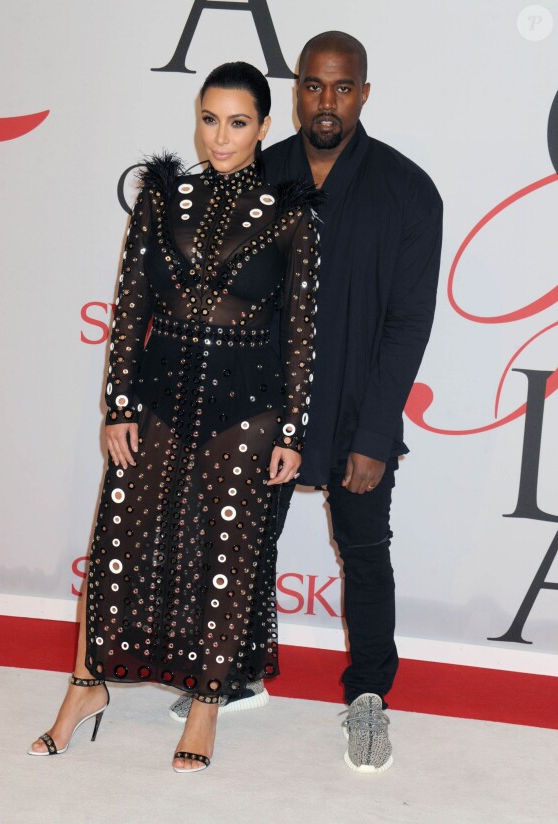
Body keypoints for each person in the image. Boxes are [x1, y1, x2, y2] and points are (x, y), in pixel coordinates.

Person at [29, 61, 321, 772]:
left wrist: (292, 430)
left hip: (246, 410)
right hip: (158, 402)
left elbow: (301, 331)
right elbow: (131, 308)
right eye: (210, 119)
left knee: (229, 555)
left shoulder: (291, 213)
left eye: (239, 122)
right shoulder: (162, 198)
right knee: (116, 543)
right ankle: (83, 687)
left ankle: (205, 707)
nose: (221, 137)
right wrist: (117, 406)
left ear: (264, 125)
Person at [261, 31, 443, 773]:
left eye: (343, 87)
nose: (327, 101)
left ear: (364, 93)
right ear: (296, 89)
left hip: (357, 417)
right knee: (245, 550)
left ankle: (369, 698)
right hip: (263, 414)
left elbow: (408, 326)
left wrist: (373, 433)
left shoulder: (407, 190)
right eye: (313, 85)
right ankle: (236, 674)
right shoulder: (260, 175)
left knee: (365, 558)